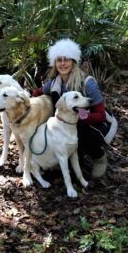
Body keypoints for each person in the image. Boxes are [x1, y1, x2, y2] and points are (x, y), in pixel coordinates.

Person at [32, 38, 117, 178]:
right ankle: (75, 160)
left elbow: (100, 114)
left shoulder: (87, 83)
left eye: (67, 59)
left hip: (93, 123)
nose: (63, 63)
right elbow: (38, 92)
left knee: (82, 132)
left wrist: (80, 119)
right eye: (59, 60)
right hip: (69, 123)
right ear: (55, 63)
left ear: (73, 62)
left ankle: (99, 157)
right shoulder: (54, 83)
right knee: (65, 130)